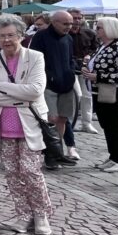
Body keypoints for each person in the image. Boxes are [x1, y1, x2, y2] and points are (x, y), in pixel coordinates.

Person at [0, 13, 55, 235]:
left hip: (30, 124)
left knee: (31, 172)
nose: (6, 40)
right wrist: (20, 96)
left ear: (21, 36)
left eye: (11, 35)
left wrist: (2, 86)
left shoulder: (35, 57)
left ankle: (41, 215)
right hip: (4, 127)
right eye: (2, 36)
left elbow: (36, 91)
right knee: (12, 174)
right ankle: (23, 214)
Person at [30, 10, 78, 162]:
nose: (69, 26)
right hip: (48, 84)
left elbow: (70, 58)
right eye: (65, 23)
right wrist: (47, 75)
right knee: (51, 119)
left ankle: (58, 152)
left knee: (63, 118)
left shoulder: (68, 38)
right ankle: (50, 154)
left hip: (66, 84)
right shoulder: (41, 36)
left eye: (70, 23)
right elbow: (33, 60)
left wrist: (71, 71)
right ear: (54, 22)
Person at [81, 17, 118, 172]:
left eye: (99, 27)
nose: (96, 29)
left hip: (111, 92)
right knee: (106, 125)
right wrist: (87, 69)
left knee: (114, 126)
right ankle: (113, 156)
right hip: (98, 91)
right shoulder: (102, 46)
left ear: (109, 29)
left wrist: (98, 77)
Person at [68, 8, 99, 134]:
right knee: (76, 95)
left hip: (86, 68)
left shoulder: (89, 33)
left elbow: (96, 49)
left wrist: (89, 55)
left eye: (79, 18)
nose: (77, 20)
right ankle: (72, 120)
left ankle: (87, 123)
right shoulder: (64, 34)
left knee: (87, 95)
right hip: (71, 68)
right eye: (74, 18)